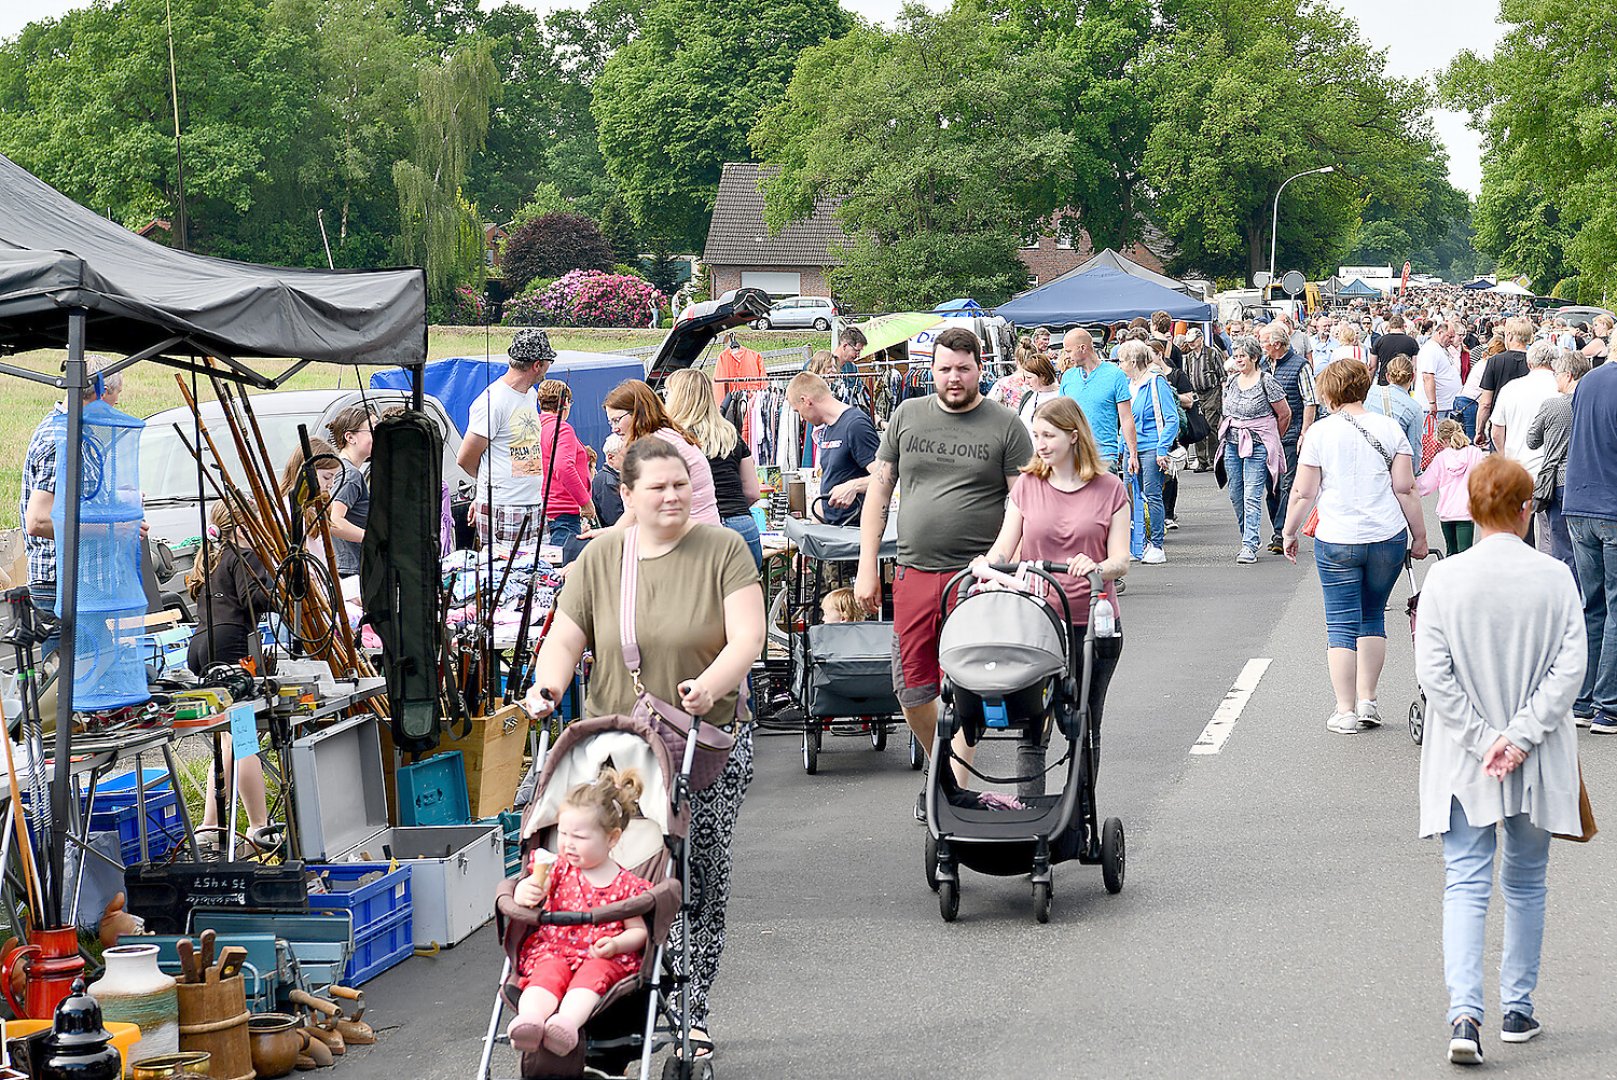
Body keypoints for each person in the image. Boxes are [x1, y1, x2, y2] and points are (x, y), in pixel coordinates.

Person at [522, 437, 763, 1057]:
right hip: (618, 752)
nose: (673, 496)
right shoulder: (599, 557)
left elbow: (748, 638)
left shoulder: (724, 549)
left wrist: (710, 685)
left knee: (695, 877)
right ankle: (607, 1000)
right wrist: (546, 686)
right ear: (625, 494)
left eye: (681, 483)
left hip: (700, 744)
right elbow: (565, 639)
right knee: (614, 875)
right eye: (657, 487)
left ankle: (691, 1008)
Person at [1413, 455, 1587, 1066]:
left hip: (1464, 759)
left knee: (1465, 881)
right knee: (1526, 880)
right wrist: (1519, 736)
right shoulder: (1554, 576)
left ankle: (1465, 1013)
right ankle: (1518, 1006)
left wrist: (1485, 739)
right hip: (1536, 759)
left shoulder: (1445, 580)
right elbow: (1571, 669)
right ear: (1524, 508)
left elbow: (1433, 674)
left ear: (1472, 508)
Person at [855, 327, 1032, 815]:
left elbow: (1025, 502)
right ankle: (946, 777)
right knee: (912, 689)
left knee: (970, 685)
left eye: (963, 368)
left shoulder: (1006, 424)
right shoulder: (907, 416)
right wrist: (867, 563)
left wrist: (1000, 562)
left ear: (980, 368)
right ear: (930, 370)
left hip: (977, 579)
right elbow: (880, 490)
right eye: (944, 369)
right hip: (913, 571)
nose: (953, 378)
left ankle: (950, 791)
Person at [981, 397, 1128, 790]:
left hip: (1092, 624)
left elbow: (1121, 559)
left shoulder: (1109, 489)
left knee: (1083, 721)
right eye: (1037, 436)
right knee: (1033, 721)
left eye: (1049, 435)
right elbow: (1004, 547)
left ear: (1073, 435)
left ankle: (1079, 814)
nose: (1041, 444)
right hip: (1038, 621)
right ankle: (1031, 815)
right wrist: (986, 566)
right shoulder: (1028, 486)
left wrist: (1098, 566)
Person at [1282, 359, 1429, 735]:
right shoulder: (1390, 428)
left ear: (1329, 392)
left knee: (1340, 624)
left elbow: (1303, 491)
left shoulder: (1319, 433)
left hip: (1337, 537)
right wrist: (1420, 536)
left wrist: (1289, 532)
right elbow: (1406, 488)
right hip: (1386, 535)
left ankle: (1345, 710)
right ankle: (1369, 701)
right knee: (1373, 615)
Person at [507, 768, 652, 1055]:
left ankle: (565, 1025)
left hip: (600, 956)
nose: (567, 843)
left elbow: (639, 931)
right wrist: (526, 892)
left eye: (579, 837)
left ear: (612, 839)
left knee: (591, 978)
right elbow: (528, 892)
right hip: (554, 950)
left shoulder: (626, 885)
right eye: (562, 833)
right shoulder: (557, 869)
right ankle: (531, 1020)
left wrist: (616, 944)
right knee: (545, 976)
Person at [21, 353, 129, 654]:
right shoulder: (61, 439)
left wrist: (117, 509)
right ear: (99, 391)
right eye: (114, 400)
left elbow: (77, 503)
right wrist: (113, 528)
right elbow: (39, 521)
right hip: (61, 583)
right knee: (72, 683)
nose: (114, 410)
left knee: (96, 670)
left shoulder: (78, 435)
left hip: (79, 580)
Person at [185, 500, 276, 851]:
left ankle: (210, 824)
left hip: (199, 648)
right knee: (244, 737)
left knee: (226, 740)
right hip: (228, 646)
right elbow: (253, 598)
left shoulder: (211, 557)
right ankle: (258, 826)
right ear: (240, 527)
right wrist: (276, 587)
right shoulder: (242, 556)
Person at [1563, 342, 1617, 733]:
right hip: (1611, 505)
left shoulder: (1588, 381)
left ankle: (1583, 700)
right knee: (1613, 607)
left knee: (1592, 604)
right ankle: (1608, 705)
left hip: (1579, 501)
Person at [458, 328, 553, 544]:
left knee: (537, 573)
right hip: (504, 507)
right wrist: (485, 492)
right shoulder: (493, 401)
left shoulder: (530, 394)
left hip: (533, 502)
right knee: (507, 573)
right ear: (537, 365)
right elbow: (465, 458)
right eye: (548, 362)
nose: (548, 368)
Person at [665, 369, 763, 566]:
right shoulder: (730, 434)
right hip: (741, 525)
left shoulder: (673, 439)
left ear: (677, 397)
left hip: (698, 527)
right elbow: (753, 492)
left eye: (667, 393)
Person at [602, 380, 720, 527]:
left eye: (616, 420)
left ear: (637, 412)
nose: (614, 428)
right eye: (611, 422)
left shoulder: (655, 448)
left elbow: (638, 512)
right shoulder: (669, 436)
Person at [1217, 339, 1289, 564]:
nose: (1237, 360)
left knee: (1252, 495)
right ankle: (1248, 536)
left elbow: (1284, 413)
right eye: (1235, 356)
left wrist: (1271, 437)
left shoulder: (1267, 381)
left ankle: (1249, 545)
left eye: (1242, 356)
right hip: (1232, 442)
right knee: (1236, 494)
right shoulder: (1231, 381)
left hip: (1258, 445)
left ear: (1254, 358)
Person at [785, 371, 881, 526]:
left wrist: (854, 486)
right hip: (833, 531)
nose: (802, 418)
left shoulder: (856, 425)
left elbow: (887, 476)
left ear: (806, 401)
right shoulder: (829, 428)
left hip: (854, 532)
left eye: (798, 411)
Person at [1525, 348, 1590, 574]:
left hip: (1557, 481)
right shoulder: (1590, 404)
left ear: (1568, 375)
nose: (1555, 378)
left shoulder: (1553, 405)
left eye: (1557, 374)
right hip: (1587, 481)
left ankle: (1569, 596)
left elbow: (1532, 440)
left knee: (1561, 545)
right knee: (1586, 547)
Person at [1262, 322, 1318, 555]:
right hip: (1265, 437)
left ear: (1276, 343)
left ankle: (1280, 532)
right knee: (1270, 486)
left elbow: (1310, 401)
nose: (1260, 344)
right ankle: (1279, 525)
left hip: (1290, 434)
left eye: (1263, 340)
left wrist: (1305, 432)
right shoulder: (1263, 365)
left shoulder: (1299, 365)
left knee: (1287, 484)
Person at [1059, 327, 1139, 479]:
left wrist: (1132, 454)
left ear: (1082, 348)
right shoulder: (1068, 377)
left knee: (1102, 502)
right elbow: (1061, 418)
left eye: (1068, 351)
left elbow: (1126, 417)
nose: (1066, 356)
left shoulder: (1115, 375)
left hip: (1104, 456)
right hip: (1074, 457)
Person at [1126, 340, 1181, 554]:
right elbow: (1123, 420)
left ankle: (1156, 544)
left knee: (1151, 494)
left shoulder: (1157, 382)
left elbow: (1172, 418)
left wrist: (1162, 449)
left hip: (1151, 446)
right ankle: (1136, 542)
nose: (1119, 364)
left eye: (1121, 360)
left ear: (1133, 361)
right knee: (1130, 496)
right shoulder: (1126, 384)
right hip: (1130, 447)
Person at [1490, 341, 1560, 497]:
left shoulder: (1510, 388)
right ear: (1555, 364)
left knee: (1520, 518)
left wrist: (1503, 456)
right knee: (1548, 520)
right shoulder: (1560, 389)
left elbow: (1496, 431)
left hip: (1518, 466)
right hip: (1551, 470)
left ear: (1529, 363)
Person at [535, 380, 596, 550]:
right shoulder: (562, 429)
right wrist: (585, 501)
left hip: (542, 510)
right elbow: (563, 467)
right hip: (563, 513)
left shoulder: (535, 427)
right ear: (565, 403)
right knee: (565, 568)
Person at [1418, 420, 1485, 556]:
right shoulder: (1475, 454)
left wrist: (1409, 489)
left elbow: (1425, 485)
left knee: (1451, 552)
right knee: (1465, 555)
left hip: (1446, 512)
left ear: (1442, 441)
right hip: (1466, 511)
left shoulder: (1440, 458)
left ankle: (1449, 577)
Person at [325, 405, 373, 578]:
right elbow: (334, 522)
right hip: (350, 571)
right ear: (350, 437)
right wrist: (374, 539)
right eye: (372, 430)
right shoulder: (350, 475)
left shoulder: (344, 470)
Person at [1473, 316, 1534, 448]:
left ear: (1510, 336)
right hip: (1527, 427)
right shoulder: (1535, 363)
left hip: (1500, 426)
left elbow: (1485, 403)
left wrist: (1480, 430)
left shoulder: (1495, 361)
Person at [1365, 355, 1426, 477]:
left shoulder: (1371, 392)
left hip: (1367, 461)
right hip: (1392, 468)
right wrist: (1413, 474)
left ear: (1388, 376)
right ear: (1412, 377)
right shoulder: (1414, 408)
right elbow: (1414, 449)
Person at [1183, 327, 1226, 471]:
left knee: (1211, 425)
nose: (1191, 344)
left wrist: (1223, 395)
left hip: (1212, 392)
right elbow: (1187, 375)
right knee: (1198, 427)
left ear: (1200, 339)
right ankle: (1202, 460)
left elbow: (1222, 375)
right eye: (1189, 342)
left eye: (1193, 341)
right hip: (1196, 394)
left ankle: (1214, 458)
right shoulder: (1188, 358)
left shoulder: (1212, 353)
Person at [1415, 317, 1463, 421]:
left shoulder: (1440, 348)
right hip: (1436, 408)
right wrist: (1432, 403)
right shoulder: (1430, 349)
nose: (1451, 340)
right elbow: (1428, 377)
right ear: (1440, 333)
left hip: (1445, 405)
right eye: (1449, 337)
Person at [711, 332, 766, 399]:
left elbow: (764, 384)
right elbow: (719, 387)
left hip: (752, 402)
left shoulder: (756, 357)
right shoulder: (723, 358)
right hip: (731, 402)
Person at [591, 434, 626, 528]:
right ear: (611, 457)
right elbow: (615, 520)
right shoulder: (608, 483)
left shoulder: (609, 478)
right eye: (627, 455)